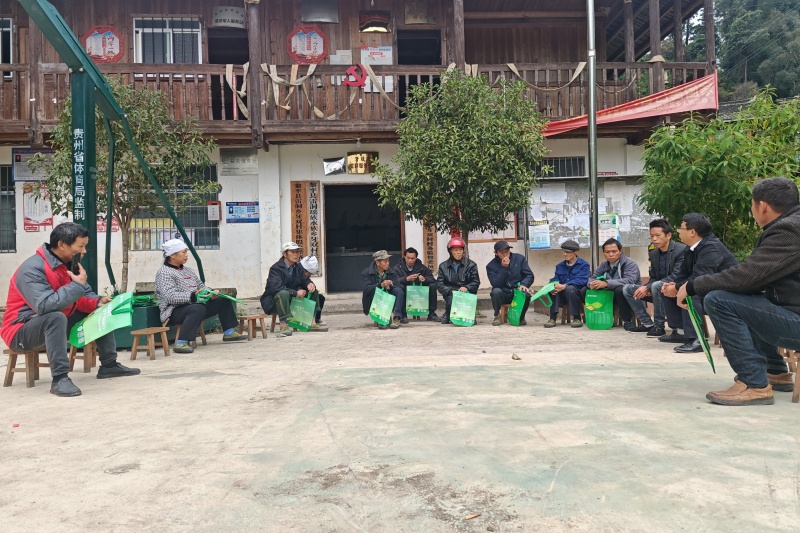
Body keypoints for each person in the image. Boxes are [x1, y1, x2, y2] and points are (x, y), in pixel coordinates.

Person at [677, 178, 800, 406]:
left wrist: (693, 286)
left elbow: (747, 276)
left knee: (719, 300)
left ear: (762, 206)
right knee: (746, 300)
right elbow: (754, 280)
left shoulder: (789, 230)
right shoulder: (792, 224)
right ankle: (775, 372)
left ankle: (754, 384)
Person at [0, 222, 140, 397]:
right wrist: (76, 286)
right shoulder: (32, 269)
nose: (84, 251)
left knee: (100, 311)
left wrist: (97, 302)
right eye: (80, 246)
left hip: (56, 322)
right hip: (20, 330)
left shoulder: (69, 265)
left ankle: (109, 365)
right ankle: (60, 379)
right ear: (61, 244)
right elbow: (44, 306)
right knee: (55, 317)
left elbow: (80, 297)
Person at [661, 213, 738, 353]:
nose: (678, 231)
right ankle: (680, 331)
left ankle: (697, 340)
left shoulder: (712, 247)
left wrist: (678, 287)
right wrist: (673, 285)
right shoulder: (690, 248)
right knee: (668, 290)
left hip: (727, 293)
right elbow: (683, 273)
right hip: (708, 288)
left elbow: (700, 277)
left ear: (692, 232)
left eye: (681, 228)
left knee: (691, 294)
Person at [155, 239, 247, 354]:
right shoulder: (164, 273)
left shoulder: (188, 270)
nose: (186, 255)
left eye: (186, 252)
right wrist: (193, 296)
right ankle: (181, 342)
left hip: (195, 306)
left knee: (223, 300)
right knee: (197, 308)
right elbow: (170, 297)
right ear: (172, 255)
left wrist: (210, 293)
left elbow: (201, 286)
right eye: (183, 252)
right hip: (173, 311)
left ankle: (229, 332)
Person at [622, 220, 687, 336]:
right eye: (651, 236)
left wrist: (649, 286)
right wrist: (647, 287)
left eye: (657, 235)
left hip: (675, 289)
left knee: (656, 285)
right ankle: (647, 323)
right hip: (657, 290)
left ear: (668, 235)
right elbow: (653, 277)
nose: (654, 239)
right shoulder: (654, 253)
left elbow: (676, 276)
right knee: (628, 288)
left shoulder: (681, 250)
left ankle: (659, 326)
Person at [261, 242, 323, 337]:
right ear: (285, 254)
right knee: (283, 293)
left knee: (313, 291)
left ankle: (312, 322)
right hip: (274, 301)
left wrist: (309, 284)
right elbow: (276, 288)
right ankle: (283, 325)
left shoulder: (298, 267)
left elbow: (304, 280)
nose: (296, 254)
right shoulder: (276, 268)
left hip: (292, 299)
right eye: (292, 252)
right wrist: (295, 293)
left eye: (297, 252)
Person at [580, 238, 641, 329]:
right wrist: (592, 284)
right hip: (609, 295)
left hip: (630, 294)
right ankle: (598, 317)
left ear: (620, 251)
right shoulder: (604, 264)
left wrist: (606, 283)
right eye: (607, 252)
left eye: (614, 251)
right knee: (584, 290)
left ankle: (627, 320)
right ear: (604, 253)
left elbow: (630, 280)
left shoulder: (629, 263)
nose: (611, 254)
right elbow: (592, 278)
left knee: (620, 290)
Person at [486, 240, 534, 326]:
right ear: (496, 253)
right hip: (503, 293)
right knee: (496, 291)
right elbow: (495, 284)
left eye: (507, 251)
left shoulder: (519, 259)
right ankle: (497, 315)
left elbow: (529, 275)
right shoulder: (491, 266)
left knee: (526, 294)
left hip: (517, 291)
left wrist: (524, 284)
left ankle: (521, 317)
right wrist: (504, 268)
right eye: (502, 252)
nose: (505, 254)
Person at [545, 240, 590, 328]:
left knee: (570, 289)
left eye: (568, 252)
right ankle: (552, 318)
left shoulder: (584, 265)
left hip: (577, 294)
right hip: (562, 295)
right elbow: (556, 278)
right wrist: (554, 285)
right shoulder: (560, 266)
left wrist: (565, 285)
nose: (565, 254)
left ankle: (576, 318)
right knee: (554, 290)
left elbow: (582, 280)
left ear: (576, 252)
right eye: (564, 252)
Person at [436, 237, 480, 325]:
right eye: (456, 250)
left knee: (470, 321)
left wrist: (467, 287)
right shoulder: (443, 266)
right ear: (450, 251)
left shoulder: (471, 265)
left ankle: (468, 315)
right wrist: (450, 290)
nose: (459, 252)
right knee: (452, 300)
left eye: (460, 250)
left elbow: (476, 281)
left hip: (466, 292)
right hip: (451, 291)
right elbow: (440, 284)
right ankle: (448, 313)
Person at [392, 247, 439, 323]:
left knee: (432, 286)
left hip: (418, 291)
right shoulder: (397, 268)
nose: (410, 260)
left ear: (416, 258)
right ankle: (403, 314)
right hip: (405, 291)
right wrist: (406, 279)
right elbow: (394, 281)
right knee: (400, 288)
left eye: (412, 258)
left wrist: (424, 279)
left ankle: (432, 313)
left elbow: (432, 279)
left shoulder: (421, 267)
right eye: (408, 258)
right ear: (404, 257)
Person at [362, 250, 404, 329]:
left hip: (388, 296)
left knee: (398, 290)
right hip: (375, 299)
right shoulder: (367, 273)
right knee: (375, 291)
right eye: (385, 261)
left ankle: (396, 318)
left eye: (388, 261)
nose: (388, 263)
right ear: (378, 263)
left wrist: (390, 284)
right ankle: (381, 318)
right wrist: (380, 285)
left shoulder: (391, 271)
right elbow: (366, 289)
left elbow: (399, 284)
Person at [300, 255, 327, 327]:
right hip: (297, 294)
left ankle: (316, 318)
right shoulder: (297, 272)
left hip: (304, 294)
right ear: (304, 270)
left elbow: (308, 282)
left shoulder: (305, 276)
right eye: (309, 273)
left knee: (320, 297)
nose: (309, 275)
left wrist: (311, 286)